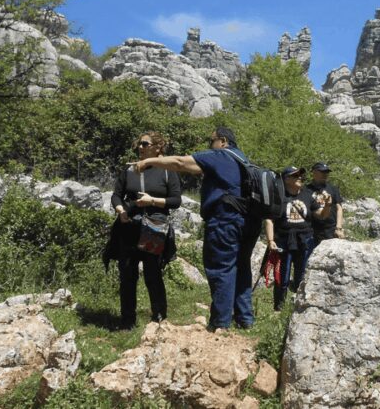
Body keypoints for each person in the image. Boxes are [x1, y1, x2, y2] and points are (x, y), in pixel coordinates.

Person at [133, 127, 261, 331]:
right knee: (242, 267)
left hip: (225, 220)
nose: (210, 145)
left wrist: (148, 161)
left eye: (212, 141)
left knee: (221, 268)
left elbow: (180, 163)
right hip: (250, 223)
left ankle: (220, 323)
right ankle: (245, 320)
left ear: (223, 141)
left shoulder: (220, 155)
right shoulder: (244, 160)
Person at [105, 131, 182, 329]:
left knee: (153, 274)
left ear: (157, 148)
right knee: (127, 276)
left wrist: (152, 201)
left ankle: (158, 319)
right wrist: (120, 209)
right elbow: (116, 195)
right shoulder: (130, 170)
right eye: (139, 144)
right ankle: (127, 322)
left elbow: (176, 200)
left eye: (145, 144)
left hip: (154, 229)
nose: (140, 147)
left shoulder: (168, 170)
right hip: (129, 228)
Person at [265, 166, 331, 310]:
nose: (300, 178)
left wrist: (328, 205)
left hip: (305, 240)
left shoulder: (307, 194)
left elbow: (321, 215)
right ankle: (279, 308)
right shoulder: (279, 195)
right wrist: (271, 240)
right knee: (282, 277)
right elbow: (270, 219)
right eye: (295, 176)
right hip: (284, 240)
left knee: (302, 276)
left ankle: (299, 308)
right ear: (286, 179)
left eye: (301, 176)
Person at [306, 162, 345, 245]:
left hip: (331, 229)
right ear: (314, 172)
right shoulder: (306, 190)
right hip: (313, 230)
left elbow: (339, 208)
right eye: (322, 172)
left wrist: (339, 228)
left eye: (327, 172)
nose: (325, 174)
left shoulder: (333, 188)